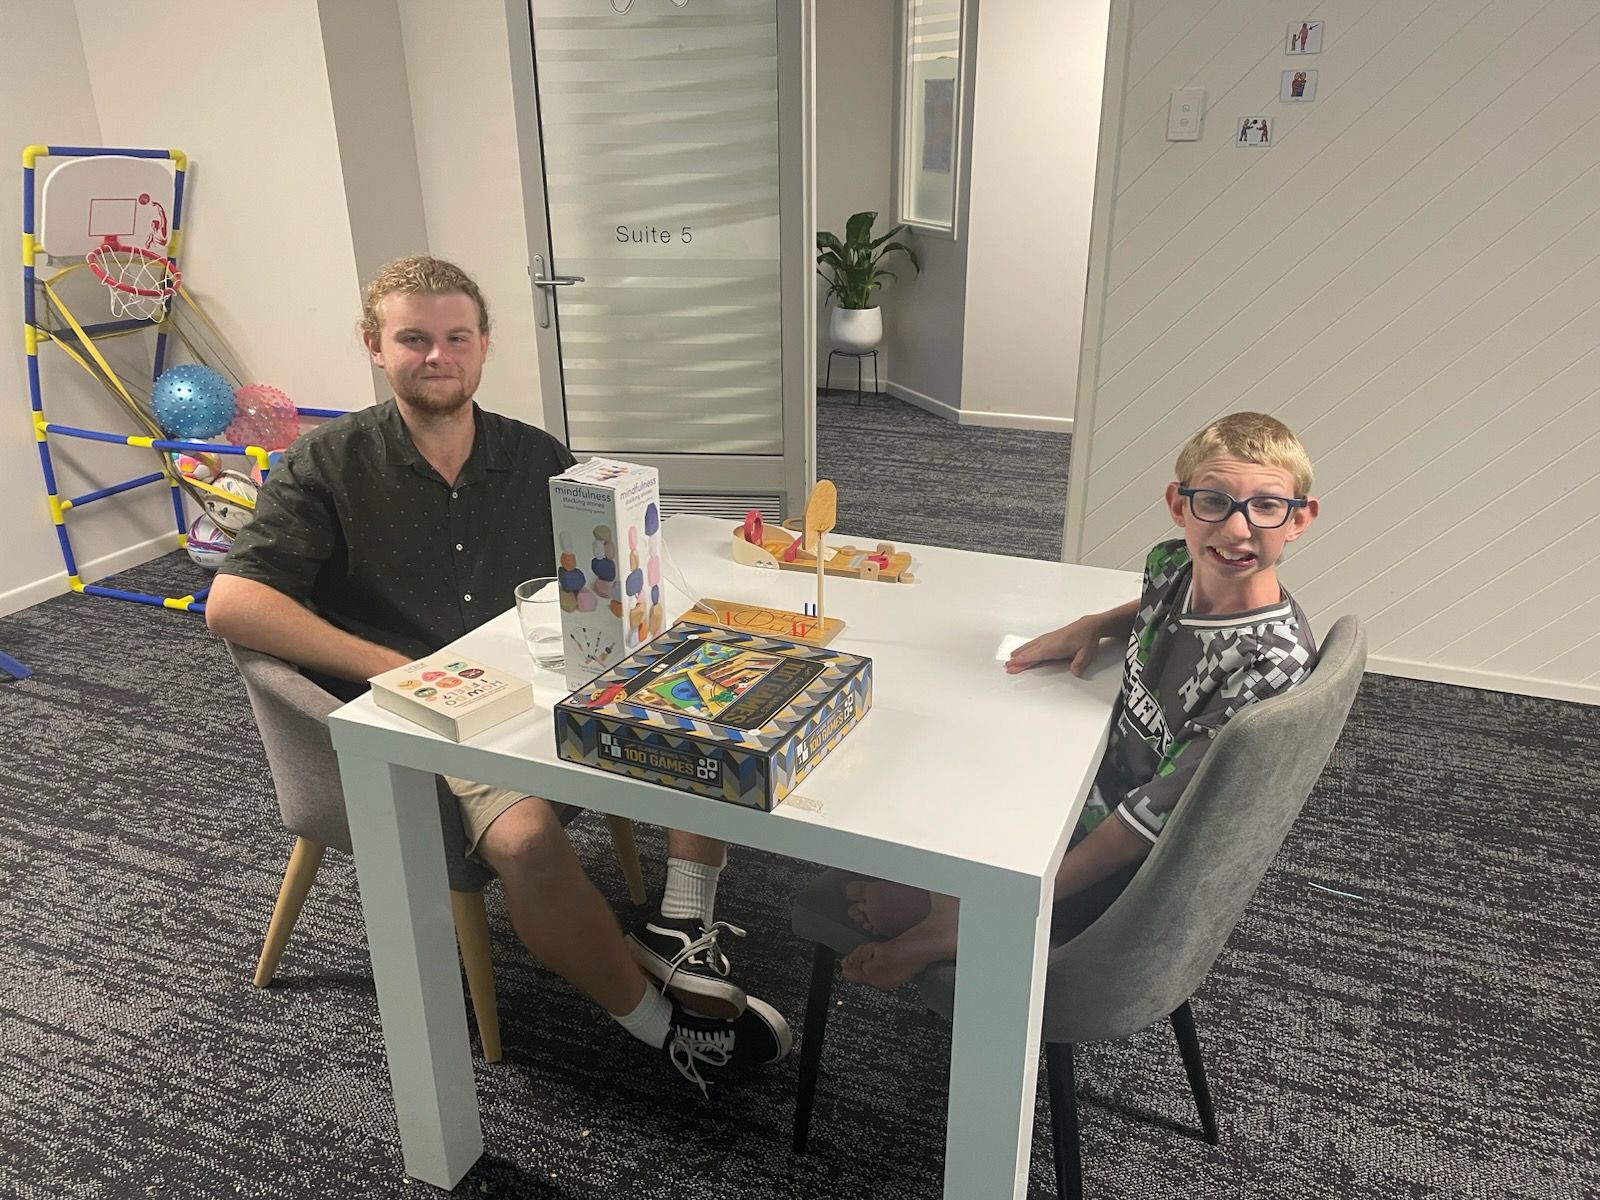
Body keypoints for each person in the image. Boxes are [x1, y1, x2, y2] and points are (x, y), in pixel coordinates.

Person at [206, 254, 789, 1089]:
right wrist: (398, 669)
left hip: (541, 673)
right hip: (425, 714)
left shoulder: (535, 453)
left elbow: (601, 561)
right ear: (376, 346)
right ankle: (665, 1030)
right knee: (524, 837)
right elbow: (233, 604)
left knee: (694, 708)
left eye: (455, 338)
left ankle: (680, 920)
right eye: (413, 339)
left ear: (484, 348)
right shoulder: (324, 463)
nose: (436, 356)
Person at [839, 411, 1321, 989]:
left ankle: (957, 922)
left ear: (1299, 519)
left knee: (933, 814)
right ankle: (945, 898)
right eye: (1213, 502)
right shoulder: (1174, 565)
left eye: (1266, 506)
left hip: (1121, 872)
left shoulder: (1267, 666)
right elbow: (1157, 598)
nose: (1238, 530)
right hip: (1092, 780)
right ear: (1178, 505)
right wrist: (1097, 623)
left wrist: (1014, 903)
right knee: (957, 743)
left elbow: (1146, 825)